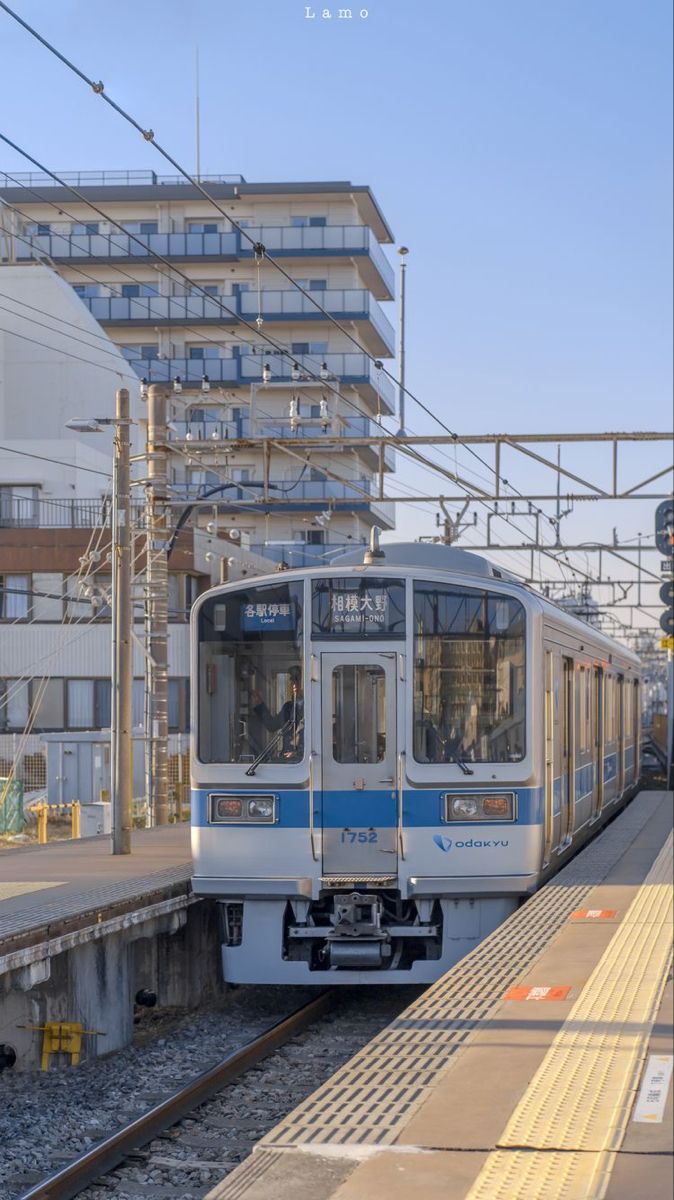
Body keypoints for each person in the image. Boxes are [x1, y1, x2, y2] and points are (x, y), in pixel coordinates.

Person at [252, 666, 304, 758]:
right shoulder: (288, 708)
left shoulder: (315, 708)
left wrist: (299, 754)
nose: (294, 683)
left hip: (303, 762)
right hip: (287, 761)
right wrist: (259, 704)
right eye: (292, 680)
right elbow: (271, 726)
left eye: (297, 680)